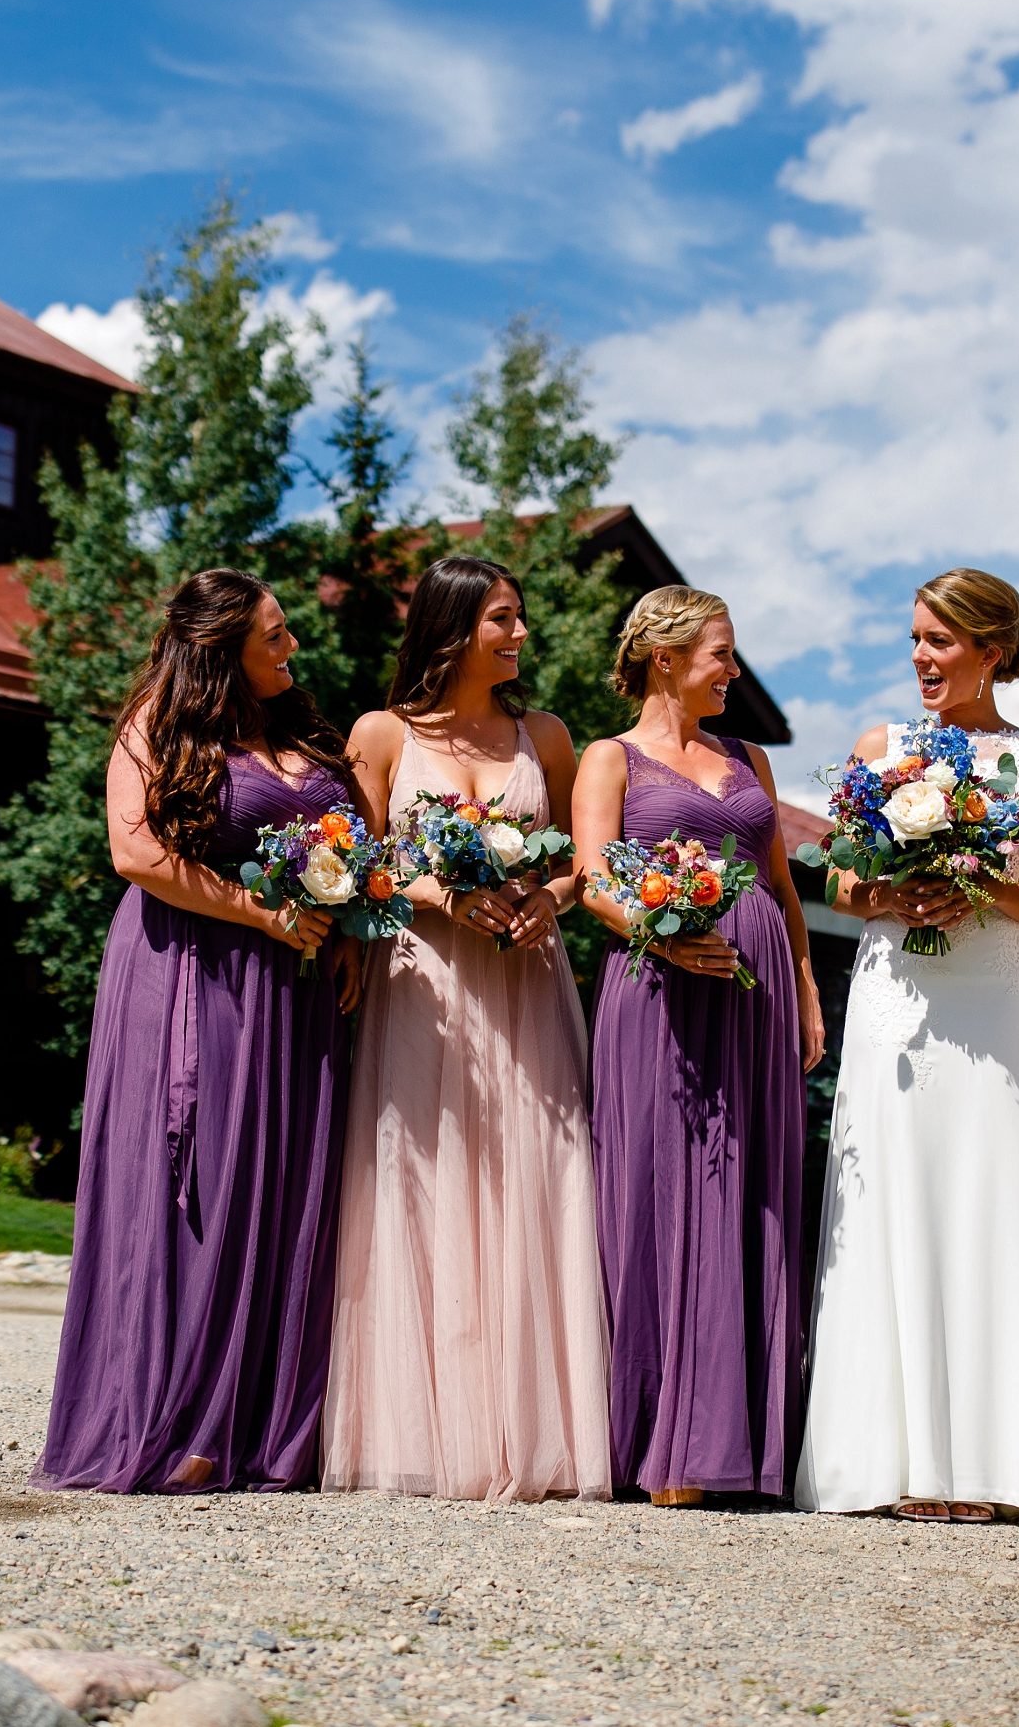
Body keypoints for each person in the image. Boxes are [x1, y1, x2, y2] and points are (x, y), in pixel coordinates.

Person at [38, 570, 359, 1494]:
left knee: (287, 1186)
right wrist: (260, 913)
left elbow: (348, 847)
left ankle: (261, 1425)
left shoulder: (296, 728)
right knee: (199, 1180)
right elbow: (136, 851)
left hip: (298, 989)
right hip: (192, 973)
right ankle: (174, 1416)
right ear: (222, 646)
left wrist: (350, 938)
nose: (292, 648)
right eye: (276, 634)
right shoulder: (158, 722)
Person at [795, 570, 1019, 1522]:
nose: (921, 658)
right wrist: (889, 893)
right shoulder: (883, 747)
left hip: (993, 1002)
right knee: (897, 1195)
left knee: (990, 1197)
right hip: (898, 998)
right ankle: (897, 1464)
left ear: (992, 650)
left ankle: (999, 1468)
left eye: (940, 641)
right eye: (915, 639)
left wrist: (976, 886)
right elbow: (841, 879)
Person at [324, 556, 612, 1502]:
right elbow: (359, 863)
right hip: (425, 983)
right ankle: (427, 1430)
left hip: (526, 980)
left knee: (533, 1180)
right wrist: (439, 888)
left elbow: (580, 860)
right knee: (429, 1182)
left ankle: (534, 1433)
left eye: (519, 617)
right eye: (502, 618)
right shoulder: (381, 734)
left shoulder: (549, 735)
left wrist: (551, 899)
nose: (520, 634)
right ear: (452, 628)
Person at [577, 585, 826, 1505]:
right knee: (664, 1188)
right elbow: (595, 879)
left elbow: (781, 886)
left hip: (754, 988)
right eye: (721, 653)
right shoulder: (611, 758)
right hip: (659, 990)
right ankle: (665, 1439)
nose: (734, 669)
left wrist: (803, 984)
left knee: (754, 1189)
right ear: (665, 657)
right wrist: (660, 928)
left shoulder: (748, 755)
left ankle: (748, 1434)